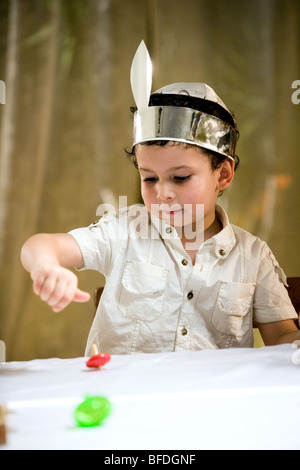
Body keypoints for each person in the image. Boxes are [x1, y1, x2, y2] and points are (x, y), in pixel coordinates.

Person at [21, 42, 299, 355]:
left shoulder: (253, 257)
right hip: (125, 396)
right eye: (149, 177)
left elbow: (282, 337)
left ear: (223, 175)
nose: (163, 192)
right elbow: (41, 245)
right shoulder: (124, 231)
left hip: (211, 401)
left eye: (180, 178)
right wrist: (46, 264)